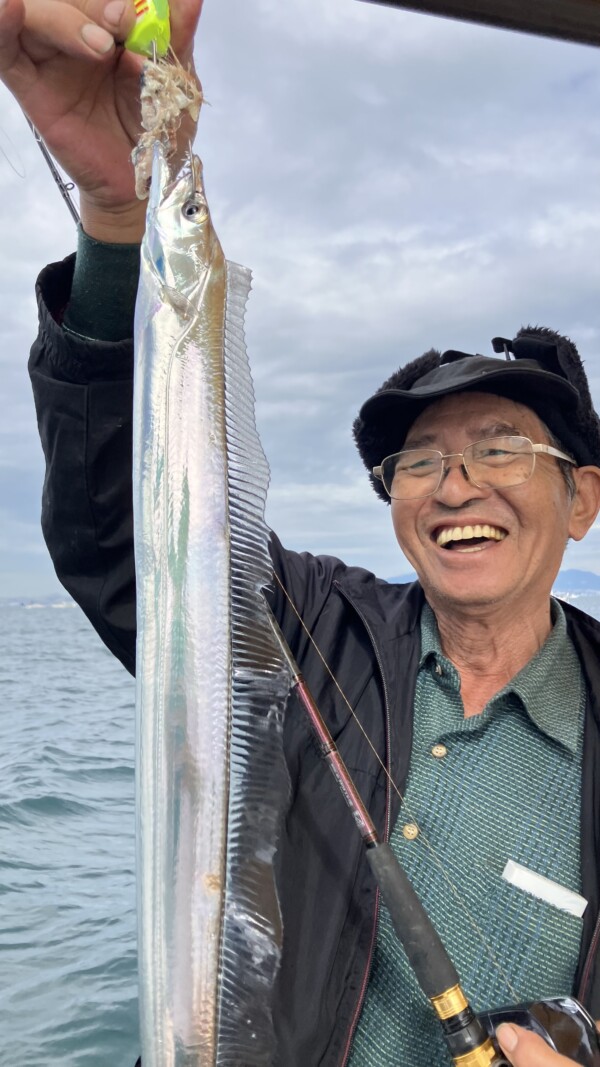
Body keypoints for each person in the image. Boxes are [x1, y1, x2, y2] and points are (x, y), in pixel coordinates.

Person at [1, 0, 599, 1063]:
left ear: (583, 499)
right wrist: (116, 214)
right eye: (419, 459)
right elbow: (125, 533)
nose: (458, 484)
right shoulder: (309, 626)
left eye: (502, 446)